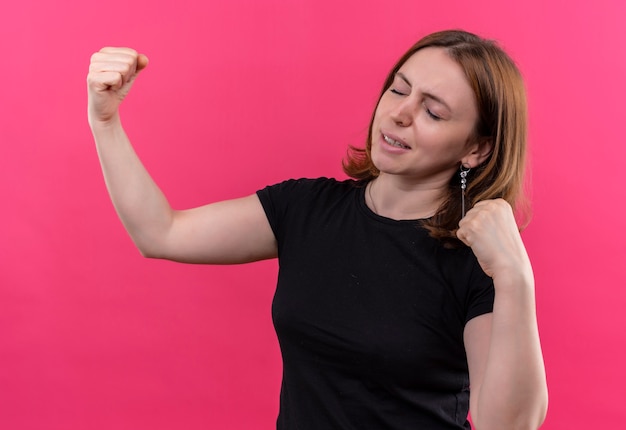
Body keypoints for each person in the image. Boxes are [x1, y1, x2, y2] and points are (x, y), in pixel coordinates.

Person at [87, 30, 548, 429]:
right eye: (398, 89)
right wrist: (105, 121)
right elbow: (161, 233)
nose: (399, 114)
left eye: (433, 111)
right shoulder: (307, 208)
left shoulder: (476, 257)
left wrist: (514, 277)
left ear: (476, 149)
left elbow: (505, 425)